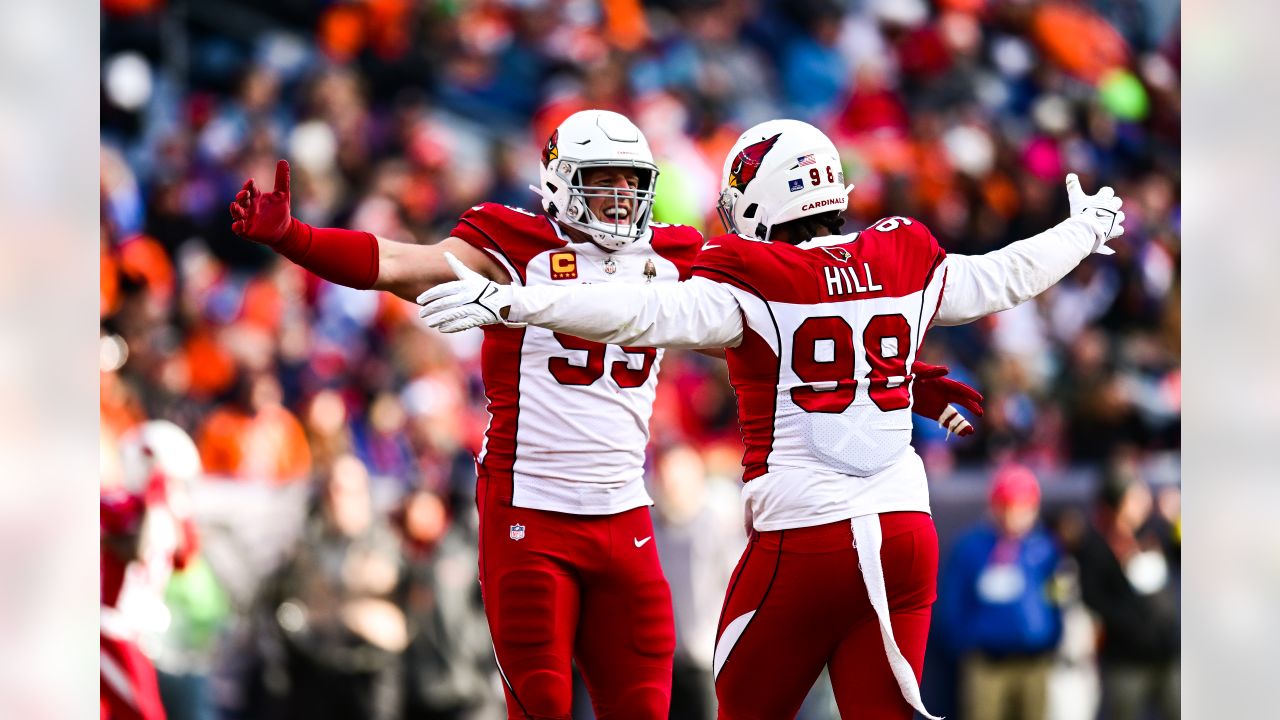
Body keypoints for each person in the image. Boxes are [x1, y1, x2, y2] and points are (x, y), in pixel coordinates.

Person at [229, 109, 978, 720]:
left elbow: (793, 327)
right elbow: (398, 262)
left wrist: (903, 375)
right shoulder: (512, 243)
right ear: (559, 185)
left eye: (632, 182)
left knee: (643, 706)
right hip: (529, 511)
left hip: (624, 512)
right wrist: (294, 239)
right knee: (544, 702)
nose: (621, 198)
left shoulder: (676, 255)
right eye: (602, 181)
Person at [418, 118, 1125, 719]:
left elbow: (638, 310)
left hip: (807, 532)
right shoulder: (902, 252)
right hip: (907, 527)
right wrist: (1083, 229)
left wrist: (517, 303)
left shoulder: (754, 275)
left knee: (741, 696)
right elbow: (1005, 273)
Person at [937, 464, 1063, 720]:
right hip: (987, 664)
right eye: (1009, 506)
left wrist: (1052, 636)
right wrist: (967, 643)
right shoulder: (971, 547)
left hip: (1034, 662)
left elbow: (1056, 597)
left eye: (1024, 507)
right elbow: (952, 603)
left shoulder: (1045, 547)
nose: (1015, 515)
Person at [102, 421, 203, 720]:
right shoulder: (122, 508)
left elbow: (187, 558)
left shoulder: (171, 516)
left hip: (136, 632)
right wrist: (153, 500)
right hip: (110, 627)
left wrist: (164, 506)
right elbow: (138, 551)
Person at [1074, 460, 1179, 720]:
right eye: (1136, 496)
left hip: (1168, 654)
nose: (1144, 502)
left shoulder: (1155, 532)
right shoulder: (1098, 545)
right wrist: (1132, 624)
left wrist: (1177, 520)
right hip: (1126, 659)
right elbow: (1093, 596)